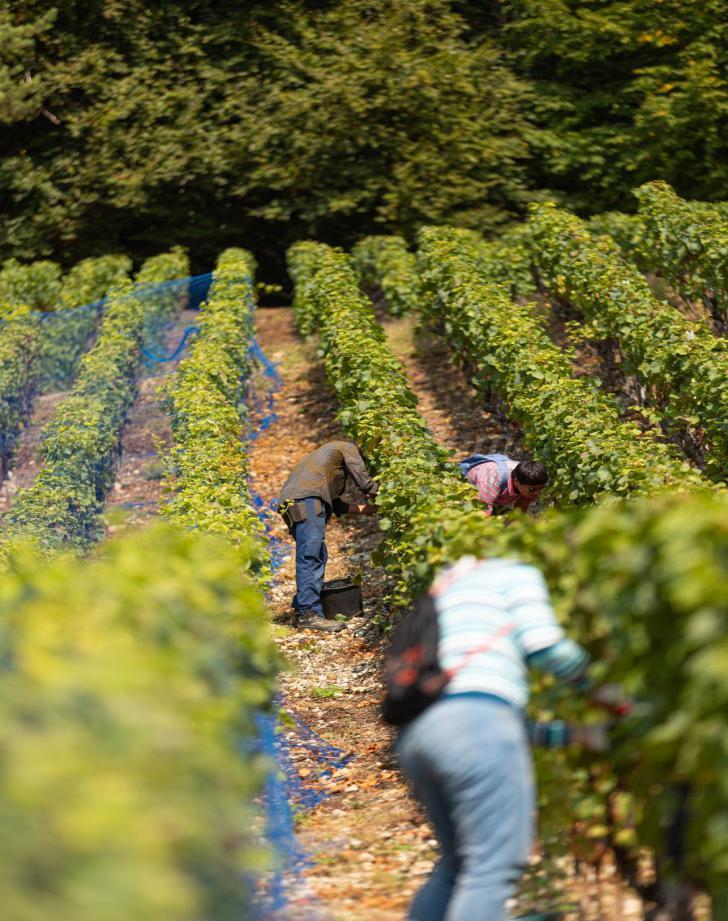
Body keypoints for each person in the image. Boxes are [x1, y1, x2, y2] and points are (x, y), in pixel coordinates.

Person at [393, 555, 615, 921]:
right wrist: (608, 693)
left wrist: (574, 735)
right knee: (491, 869)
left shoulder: (450, 586)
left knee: (457, 864)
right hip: (474, 728)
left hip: (420, 733)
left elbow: (492, 724)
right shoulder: (518, 575)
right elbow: (546, 646)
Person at [278, 440, 378, 633]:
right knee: (310, 556)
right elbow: (365, 483)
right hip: (306, 502)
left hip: (293, 503)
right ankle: (307, 613)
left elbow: (339, 506)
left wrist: (375, 510)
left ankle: (307, 606)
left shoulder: (320, 463)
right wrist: (386, 495)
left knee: (316, 554)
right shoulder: (346, 447)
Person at [458, 453, 548, 516]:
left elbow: (520, 510)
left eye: (541, 488)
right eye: (532, 489)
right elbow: (483, 515)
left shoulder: (528, 476)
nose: (537, 493)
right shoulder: (490, 481)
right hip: (471, 488)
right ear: (517, 481)